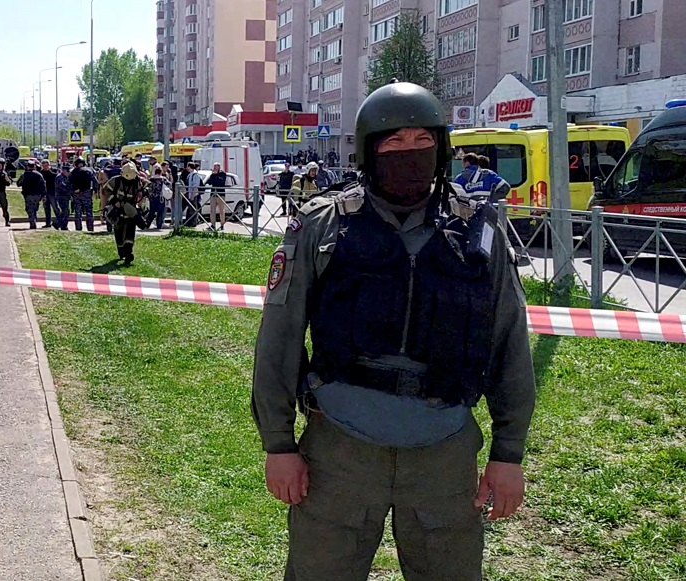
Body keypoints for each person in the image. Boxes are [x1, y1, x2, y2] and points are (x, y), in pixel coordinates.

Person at [252, 81, 535, 580]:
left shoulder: (477, 232)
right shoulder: (322, 227)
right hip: (340, 451)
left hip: (443, 454)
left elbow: (509, 341)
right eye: (394, 142)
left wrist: (508, 452)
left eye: (422, 141)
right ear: (369, 151)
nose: (410, 153)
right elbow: (280, 338)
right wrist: (278, 444)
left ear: (441, 148)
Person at [102, 161, 147, 264]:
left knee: (130, 233)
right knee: (119, 233)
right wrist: (114, 201)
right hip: (118, 212)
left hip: (131, 212)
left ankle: (128, 253)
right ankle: (121, 251)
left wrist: (145, 191)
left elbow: (146, 187)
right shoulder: (115, 181)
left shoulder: (138, 181)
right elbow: (105, 191)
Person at [17, 159, 47, 229]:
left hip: (28, 195)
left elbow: (18, 183)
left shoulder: (24, 175)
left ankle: (32, 222)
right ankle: (34, 220)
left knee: (29, 209)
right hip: (37, 195)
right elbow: (43, 185)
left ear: (27, 166)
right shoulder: (39, 175)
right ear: (34, 166)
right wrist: (44, 195)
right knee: (35, 208)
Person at [69, 158, 97, 232]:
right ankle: (90, 228)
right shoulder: (89, 170)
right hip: (87, 192)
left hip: (76, 193)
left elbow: (68, 182)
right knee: (89, 211)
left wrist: (73, 191)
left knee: (77, 212)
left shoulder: (73, 171)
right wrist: (95, 190)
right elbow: (94, 181)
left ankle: (78, 228)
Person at [205, 162, 230, 231]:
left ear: (219, 167)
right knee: (212, 210)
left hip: (220, 194)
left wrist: (216, 175)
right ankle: (213, 224)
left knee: (221, 210)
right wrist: (213, 175)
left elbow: (220, 182)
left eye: (216, 166)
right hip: (213, 194)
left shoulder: (223, 174)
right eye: (214, 166)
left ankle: (222, 224)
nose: (215, 168)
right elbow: (209, 182)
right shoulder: (212, 175)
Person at [145, 165, 170, 230]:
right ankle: (159, 225)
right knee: (160, 212)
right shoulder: (163, 179)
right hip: (161, 197)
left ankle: (147, 224)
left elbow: (147, 187)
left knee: (151, 211)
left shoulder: (151, 179)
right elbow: (169, 185)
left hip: (152, 197)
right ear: (161, 172)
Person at [183, 162, 204, 227]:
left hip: (193, 195)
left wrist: (192, 195)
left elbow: (195, 187)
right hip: (189, 195)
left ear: (189, 166)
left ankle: (193, 223)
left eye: (187, 166)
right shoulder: (190, 174)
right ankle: (188, 223)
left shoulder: (195, 175)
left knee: (193, 209)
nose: (186, 168)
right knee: (190, 209)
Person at [53, 164, 72, 230]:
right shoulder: (60, 177)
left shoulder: (66, 177)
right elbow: (62, 187)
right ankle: (59, 224)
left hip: (65, 196)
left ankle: (60, 224)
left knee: (65, 211)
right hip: (61, 196)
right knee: (65, 211)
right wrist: (70, 191)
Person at [38, 159, 56, 228]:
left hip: (52, 193)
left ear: (49, 165)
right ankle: (48, 223)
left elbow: (55, 177)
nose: (45, 167)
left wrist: (49, 171)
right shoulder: (41, 173)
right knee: (46, 209)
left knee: (55, 208)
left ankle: (59, 221)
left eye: (46, 165)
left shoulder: (53, 171)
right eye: (44, 166)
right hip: (45, 194)